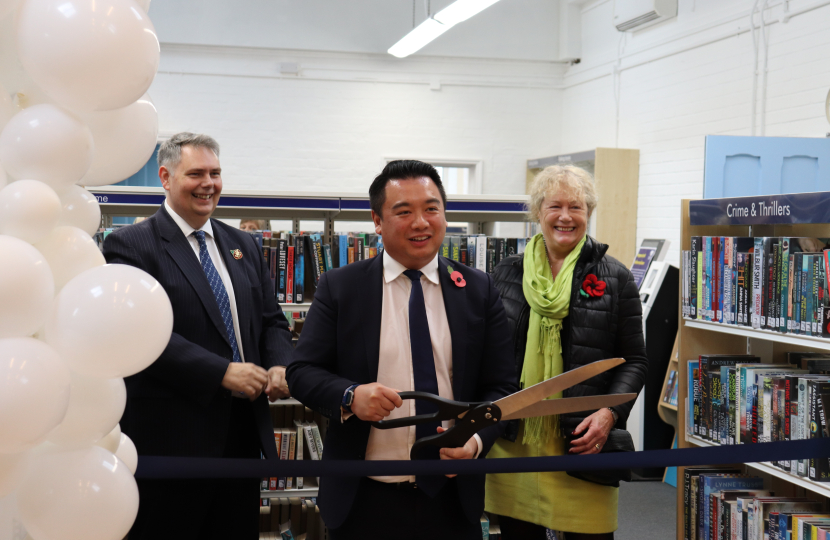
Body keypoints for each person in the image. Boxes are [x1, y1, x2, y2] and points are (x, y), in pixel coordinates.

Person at [286, 160, 518, 540]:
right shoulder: (341, 288)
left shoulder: (478, 289)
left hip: (451, 498)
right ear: (377, 221)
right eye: (404, 211)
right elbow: (301, 372)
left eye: (431, 208)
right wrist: (350, 396)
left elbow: (502, 388)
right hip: (364, 497)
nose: (421, 222)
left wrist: (475, 441)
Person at [103, 132, 294, 539]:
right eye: (196, 174)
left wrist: (280, 363)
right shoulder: (131, 244)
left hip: (243, 432)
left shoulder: (242, 244)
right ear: (166, 178)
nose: (209, 183)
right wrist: (220, 372)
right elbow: (138, 333)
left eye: (216, 173)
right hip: (172, 438)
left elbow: (271, 320)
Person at [484, 165, 648, 540]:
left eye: (576, 206)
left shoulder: (616, 278)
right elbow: (487, 354)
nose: (565, 216)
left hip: (581, 444)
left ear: (588, 212)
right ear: (538, 211)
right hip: (515, 443)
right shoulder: (504, 274)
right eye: (554, 205)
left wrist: (610, 413)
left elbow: (635, 360)